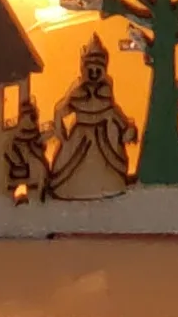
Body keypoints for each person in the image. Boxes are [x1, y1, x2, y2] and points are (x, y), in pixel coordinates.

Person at [41, 37, 133, 200]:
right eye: (91, 69)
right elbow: (61, 110)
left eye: (98, 69)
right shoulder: (78, 90)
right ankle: (72, 188)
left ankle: (108, 185)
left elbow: (113, 111)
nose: (94, 73)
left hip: (103, 136)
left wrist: (126, 126)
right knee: (71, 164)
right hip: (80, 135)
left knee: (108, 163)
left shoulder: (106, 89)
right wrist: (61, 133)